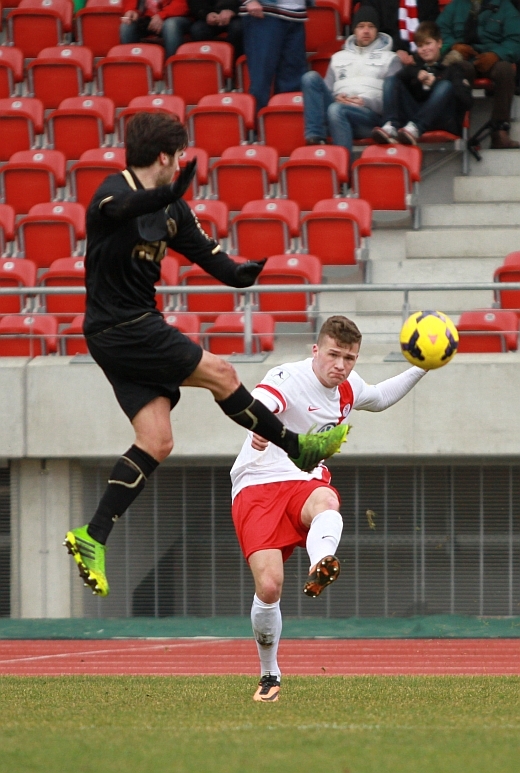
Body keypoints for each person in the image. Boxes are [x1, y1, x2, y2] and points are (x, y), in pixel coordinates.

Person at [63, 112, 347, 598]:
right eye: (177, 158)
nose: (179, 166)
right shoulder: (112, 191)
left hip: (123, 337)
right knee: (221, 373)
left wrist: (242, 273)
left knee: (156, 441)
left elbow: (209, 257)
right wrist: (168, 194)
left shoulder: (173, 209)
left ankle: (93, 535)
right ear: (164, 157)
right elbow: (120, 209)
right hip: (124, 326)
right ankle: (296, 446)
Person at [230, 315, 427, 702]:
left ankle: (321, 563)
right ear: (316, 350)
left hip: (303, 480)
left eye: (349, 358)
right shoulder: (289, 376)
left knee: (327, 499)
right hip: (257, 484)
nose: (341, 365)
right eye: (334, 355)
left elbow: (379, 398)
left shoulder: (349, 387)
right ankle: (269, 674)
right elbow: (261, 402)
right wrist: (258, 427)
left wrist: (423, 366)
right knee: (269, 586)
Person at [301, 6, 402, 154]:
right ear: (354, 30)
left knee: (336, 109)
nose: (366, 31)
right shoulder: (337, 58)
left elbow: (395, 103)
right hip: (336, 112)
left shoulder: (391, 59)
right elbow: (326, 93)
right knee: (310, 78)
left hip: (369, 119)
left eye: (371, 26)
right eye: (361, 26)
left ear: (377, 31)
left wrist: (365, 102)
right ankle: (315, 138)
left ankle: (343, 165)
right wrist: (336, 98)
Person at [372, 21, 473, 144]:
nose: (424, 49)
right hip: (412, 120)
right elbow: (397, 81)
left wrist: (435, 83)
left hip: (443, 120)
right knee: (391, 80)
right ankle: (391, 126)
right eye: (420, 46)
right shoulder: (415, 66)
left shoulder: (454, 68)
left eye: (428, 43)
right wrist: (416, 73)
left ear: (439, 43)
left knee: (445, 85)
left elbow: (466, 102)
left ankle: (416, 127)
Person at [437, 0, 520, 149]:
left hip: (493, 57)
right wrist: (453, 46)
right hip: (464, 58)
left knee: (505, 69)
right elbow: (439, 32)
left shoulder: (505, 6)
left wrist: (497, 54)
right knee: (460, 69)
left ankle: (499, 131)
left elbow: (515, 39)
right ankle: (460, 129)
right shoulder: (455, 6)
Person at [238, 0, 308, 113]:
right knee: (261, 78)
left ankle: (285, 120)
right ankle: (257, 122)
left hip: (296, 14)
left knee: (293, 78)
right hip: (264, 12)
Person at [361, 0, 440, 64]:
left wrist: (416, 56)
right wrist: (396, 50)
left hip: (423, 55)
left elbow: (432, 29)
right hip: (386, 54)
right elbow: (372, 30)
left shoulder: (428, 2)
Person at [120, 0, 192, 60]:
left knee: (171, 25)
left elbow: (182, 5)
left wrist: (162, 15)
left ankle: (171, 66)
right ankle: (130, 66)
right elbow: (130, 4)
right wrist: (131, 10)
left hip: (176, 17)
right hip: (147, 17)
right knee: (127, 26)